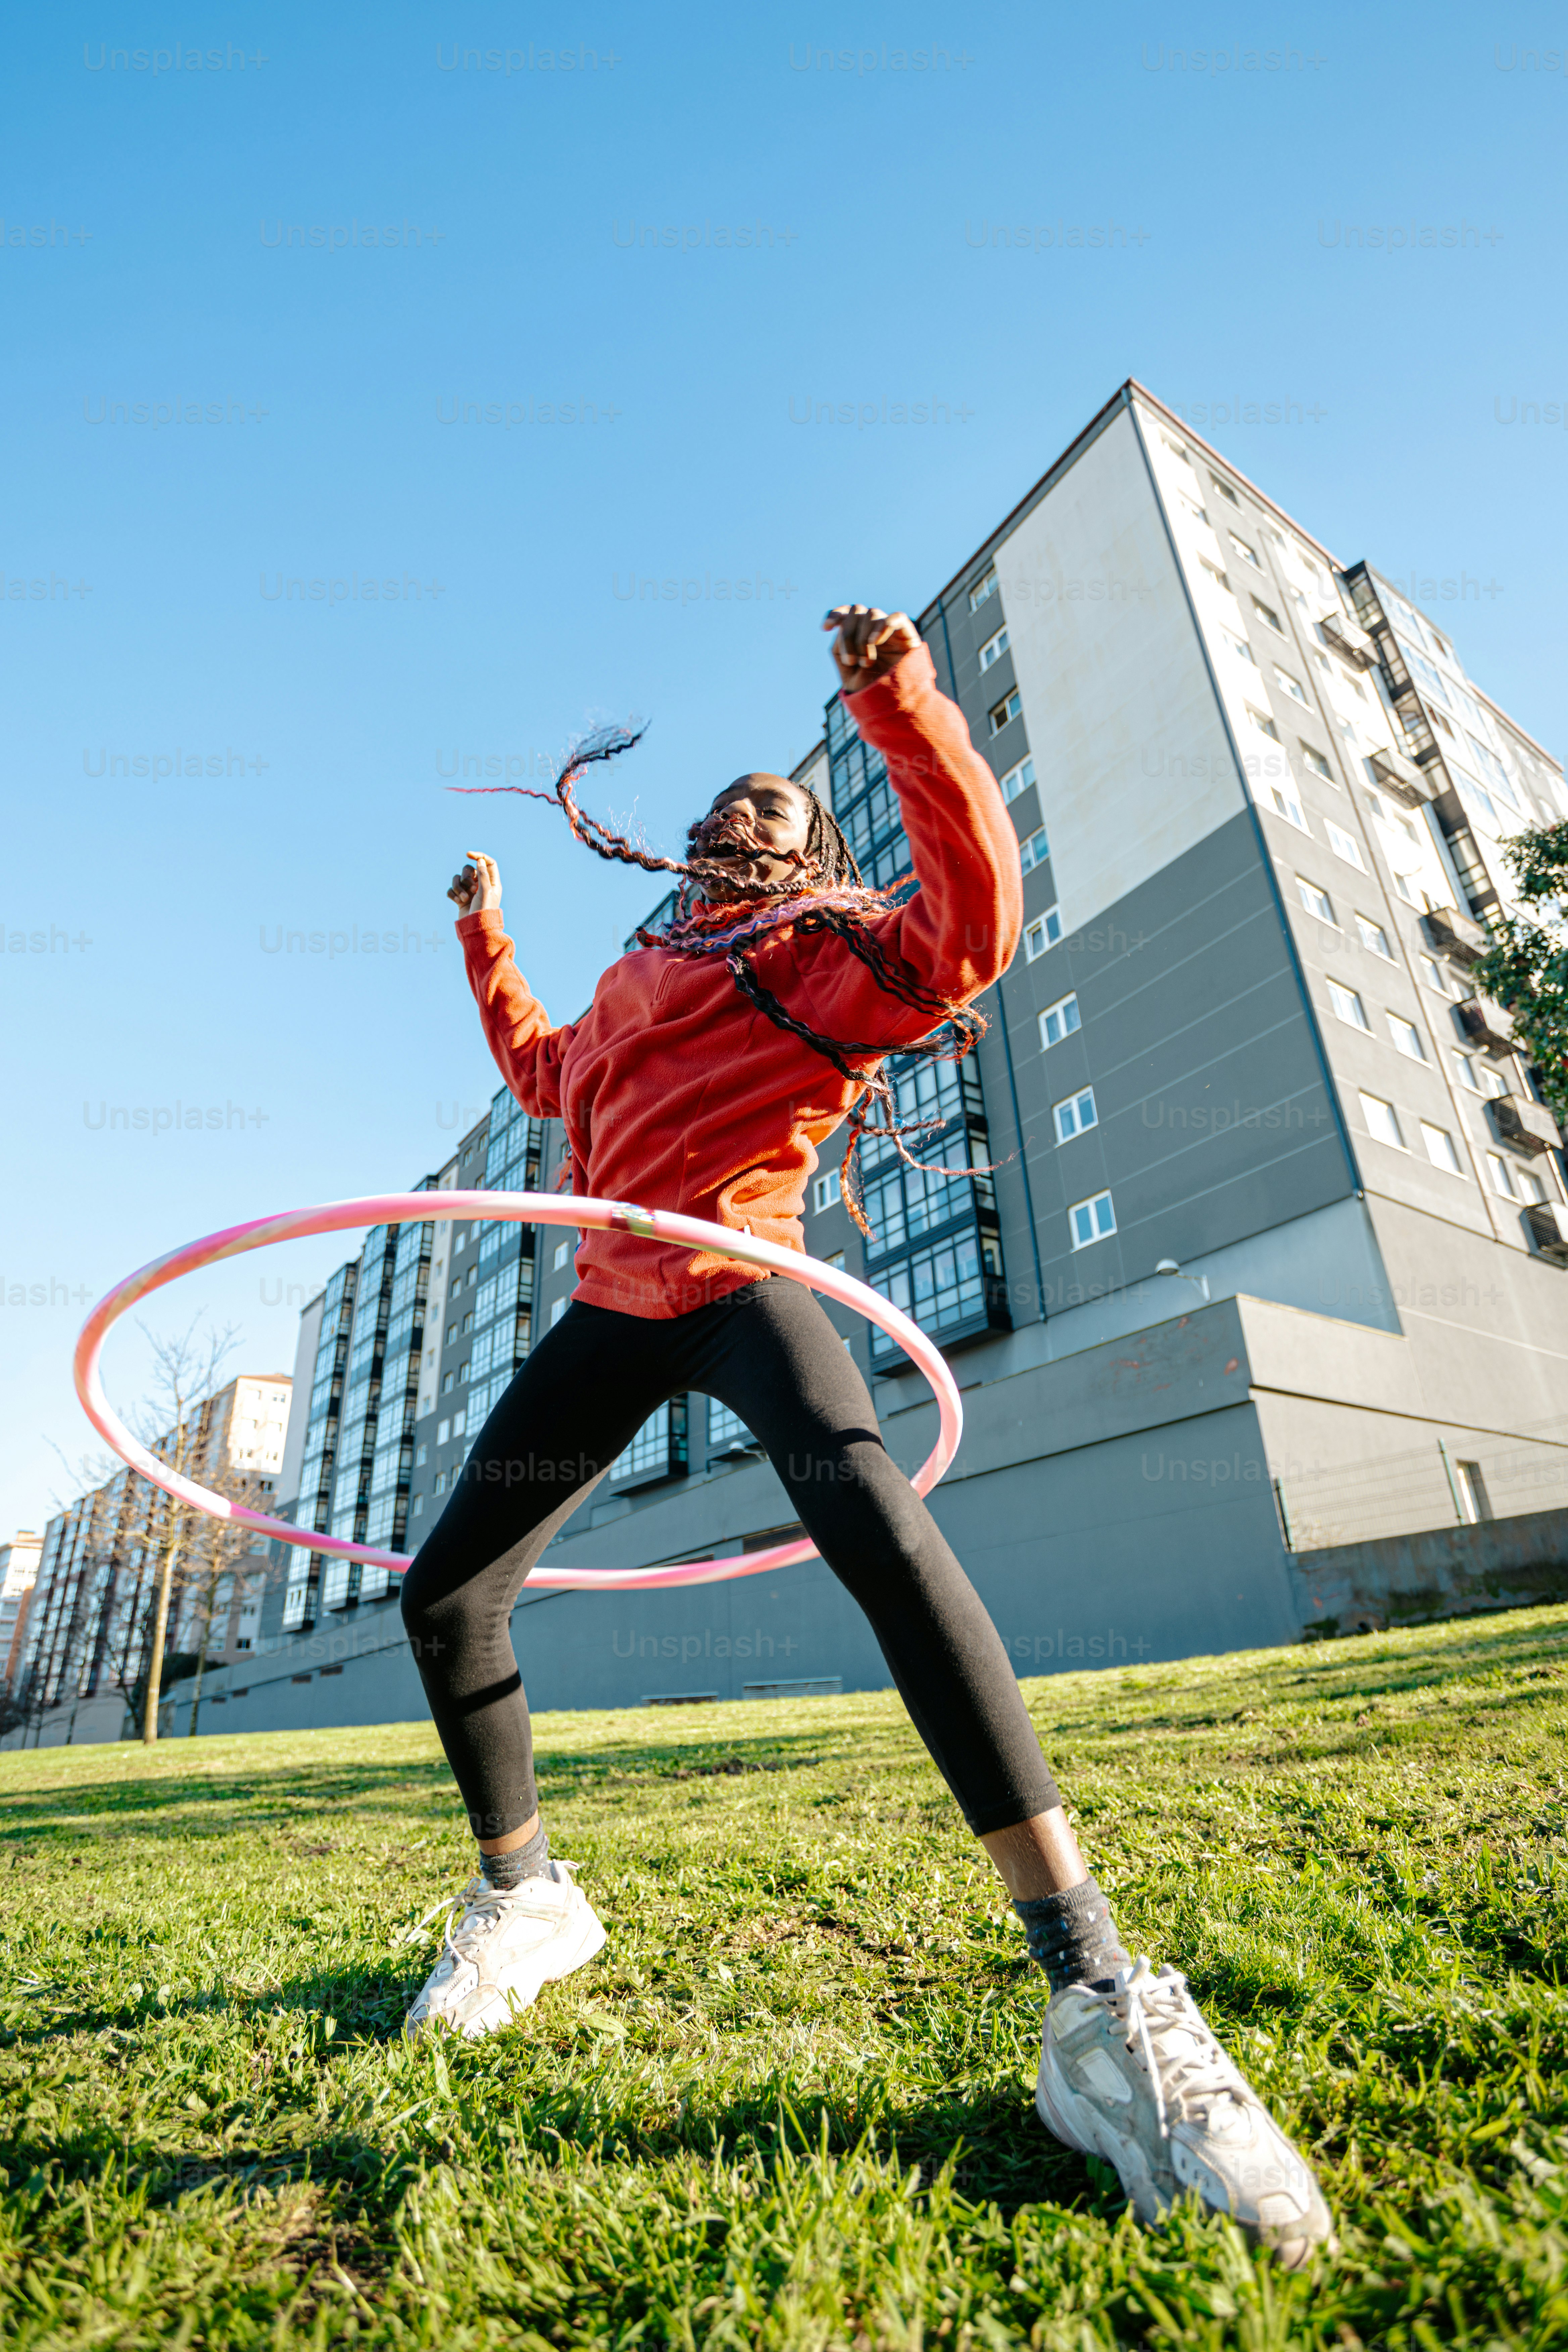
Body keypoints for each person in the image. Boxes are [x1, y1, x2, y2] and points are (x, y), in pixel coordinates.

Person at [399, 604, 1334, 2265]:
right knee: (443, 1595)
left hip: (747, 1283)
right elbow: (550, 1083)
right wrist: (487, 937)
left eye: (775, 804)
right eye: (729, 803)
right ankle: (526, 1894)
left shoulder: (837, 949)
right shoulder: (636, 972)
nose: (741, 814)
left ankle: (1096, 1988)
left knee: (885, 1542)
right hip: (614, 1304)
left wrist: (891, 700)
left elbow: (971, 929)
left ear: (809, 849)